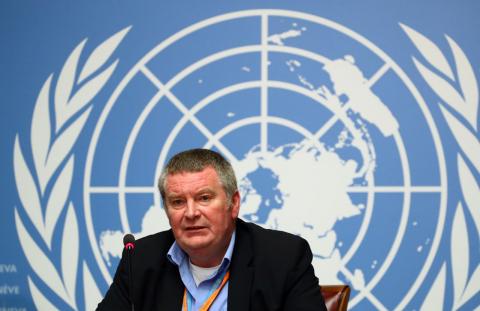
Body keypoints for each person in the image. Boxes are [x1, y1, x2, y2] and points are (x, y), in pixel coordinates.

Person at [97, 148, 327, 310]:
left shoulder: (283, 258)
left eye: (204, 198)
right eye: (177, 202)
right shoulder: (140, 259)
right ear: (167, 210)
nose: (190, 213)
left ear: (233, 203)